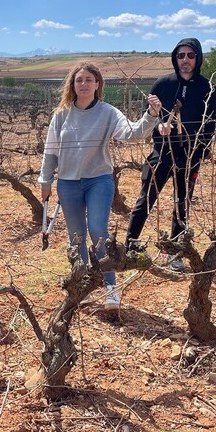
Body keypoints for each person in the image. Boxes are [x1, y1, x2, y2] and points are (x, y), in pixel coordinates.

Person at [39, 63, 162, 310]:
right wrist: (45, 180)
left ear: (98, 84)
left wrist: (151, 114)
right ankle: (84, 282)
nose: (83, 84)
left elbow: (132, 133)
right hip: (68, 183)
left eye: (88, 80)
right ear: (72, 85)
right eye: (79, 80)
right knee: (76, 237)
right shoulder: (61, 115)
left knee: (98, 230)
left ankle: (110, 287)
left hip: (99, 180)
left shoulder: (107, 112)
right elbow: (50, 151)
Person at [125, 38, 216, 272]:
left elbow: (210, 123)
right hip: (162, 152)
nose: (185, 60)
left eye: (190, 55)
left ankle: (174, 252)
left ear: (198, 58)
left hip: (190, 157)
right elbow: (148, 118)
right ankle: (130, 245)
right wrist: (159, 127)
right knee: (146, 199)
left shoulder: (208, 88)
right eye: (180, 55)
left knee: (182, 203)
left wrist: (200, 148)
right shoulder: (162, 84)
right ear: (174, 58)